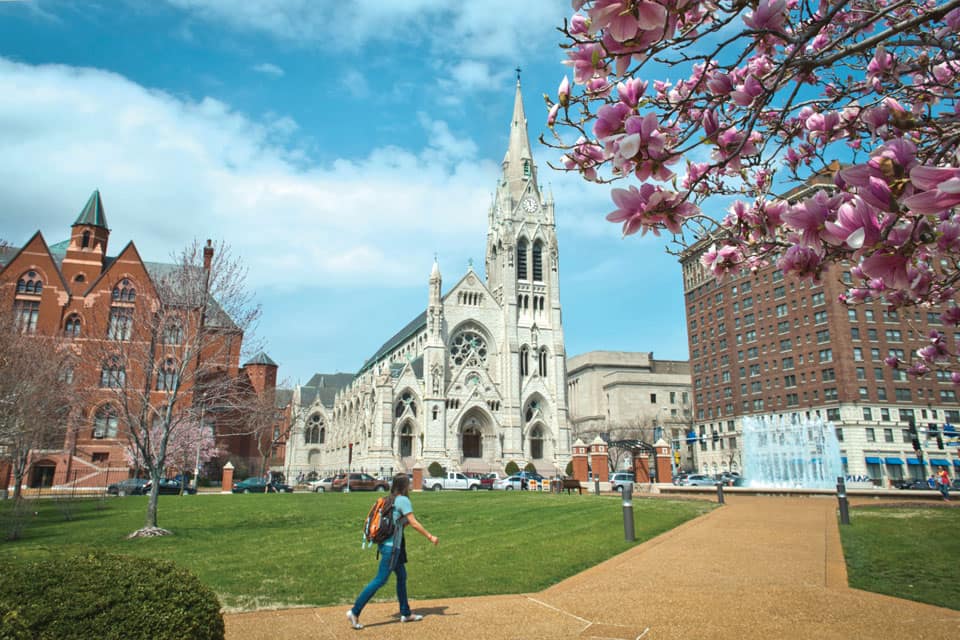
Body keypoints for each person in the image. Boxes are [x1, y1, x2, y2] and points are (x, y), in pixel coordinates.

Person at [347, 473, 439, 630]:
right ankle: (355, 611)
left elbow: (400, 523)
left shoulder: (389, 499)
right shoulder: (403, 500)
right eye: (408, 483)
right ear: (403, 486)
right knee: (380, 580)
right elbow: (414, 523)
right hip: (392, 548)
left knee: (402, 576)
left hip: (385, 545)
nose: (410, 485)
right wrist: (430, 536)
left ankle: (406, 613)